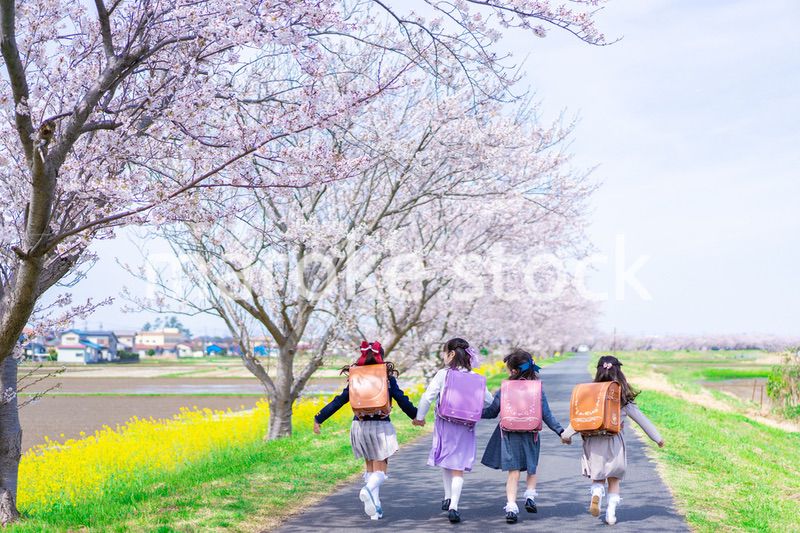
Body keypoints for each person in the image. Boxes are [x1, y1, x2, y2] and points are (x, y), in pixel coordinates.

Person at [313, 341, 418, 520]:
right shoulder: (386, 377)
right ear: (381, 357)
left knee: (370, 468)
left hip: (359, 427)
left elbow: (340, 400)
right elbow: (401, 399)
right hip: (380, 427)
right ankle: (367, 489)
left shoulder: (356, 377)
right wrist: (416, 415)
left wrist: (319, 417)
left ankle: (375, 509)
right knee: (381, 470)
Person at [561, 355, 666, 525]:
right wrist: (657, 438)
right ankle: (610, 514)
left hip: (593, 444)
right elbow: (642, 420)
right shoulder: (622, 398)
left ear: (598, 372)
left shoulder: (591, 395)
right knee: (614, 479)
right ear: (619, 373)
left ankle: (596, 493)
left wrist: (566, 435)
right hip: (614, 443)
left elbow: (580, 419)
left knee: (598, 477)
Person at [413, 337, 494, 523]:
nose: (443, 356)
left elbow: (427, 397)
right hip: (466, 427)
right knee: (458, 467)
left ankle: (448, 497)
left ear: (451, 354)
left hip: (445, 424)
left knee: (446, 460)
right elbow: (489, 400)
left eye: (444, 352)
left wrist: (420, 417)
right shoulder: (475, 377)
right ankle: (453, 506)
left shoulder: (443, 374)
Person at [481, 349, 565, 523]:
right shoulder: (537, 388)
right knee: (531, 467)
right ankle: (530, 496)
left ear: (513, 370)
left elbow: (492, 412)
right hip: (531, 433)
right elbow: (546, 414)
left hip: (509, 434)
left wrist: (473, 413)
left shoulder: (505, 388)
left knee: (513, 472)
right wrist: (560, 431)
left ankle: (511, 507)